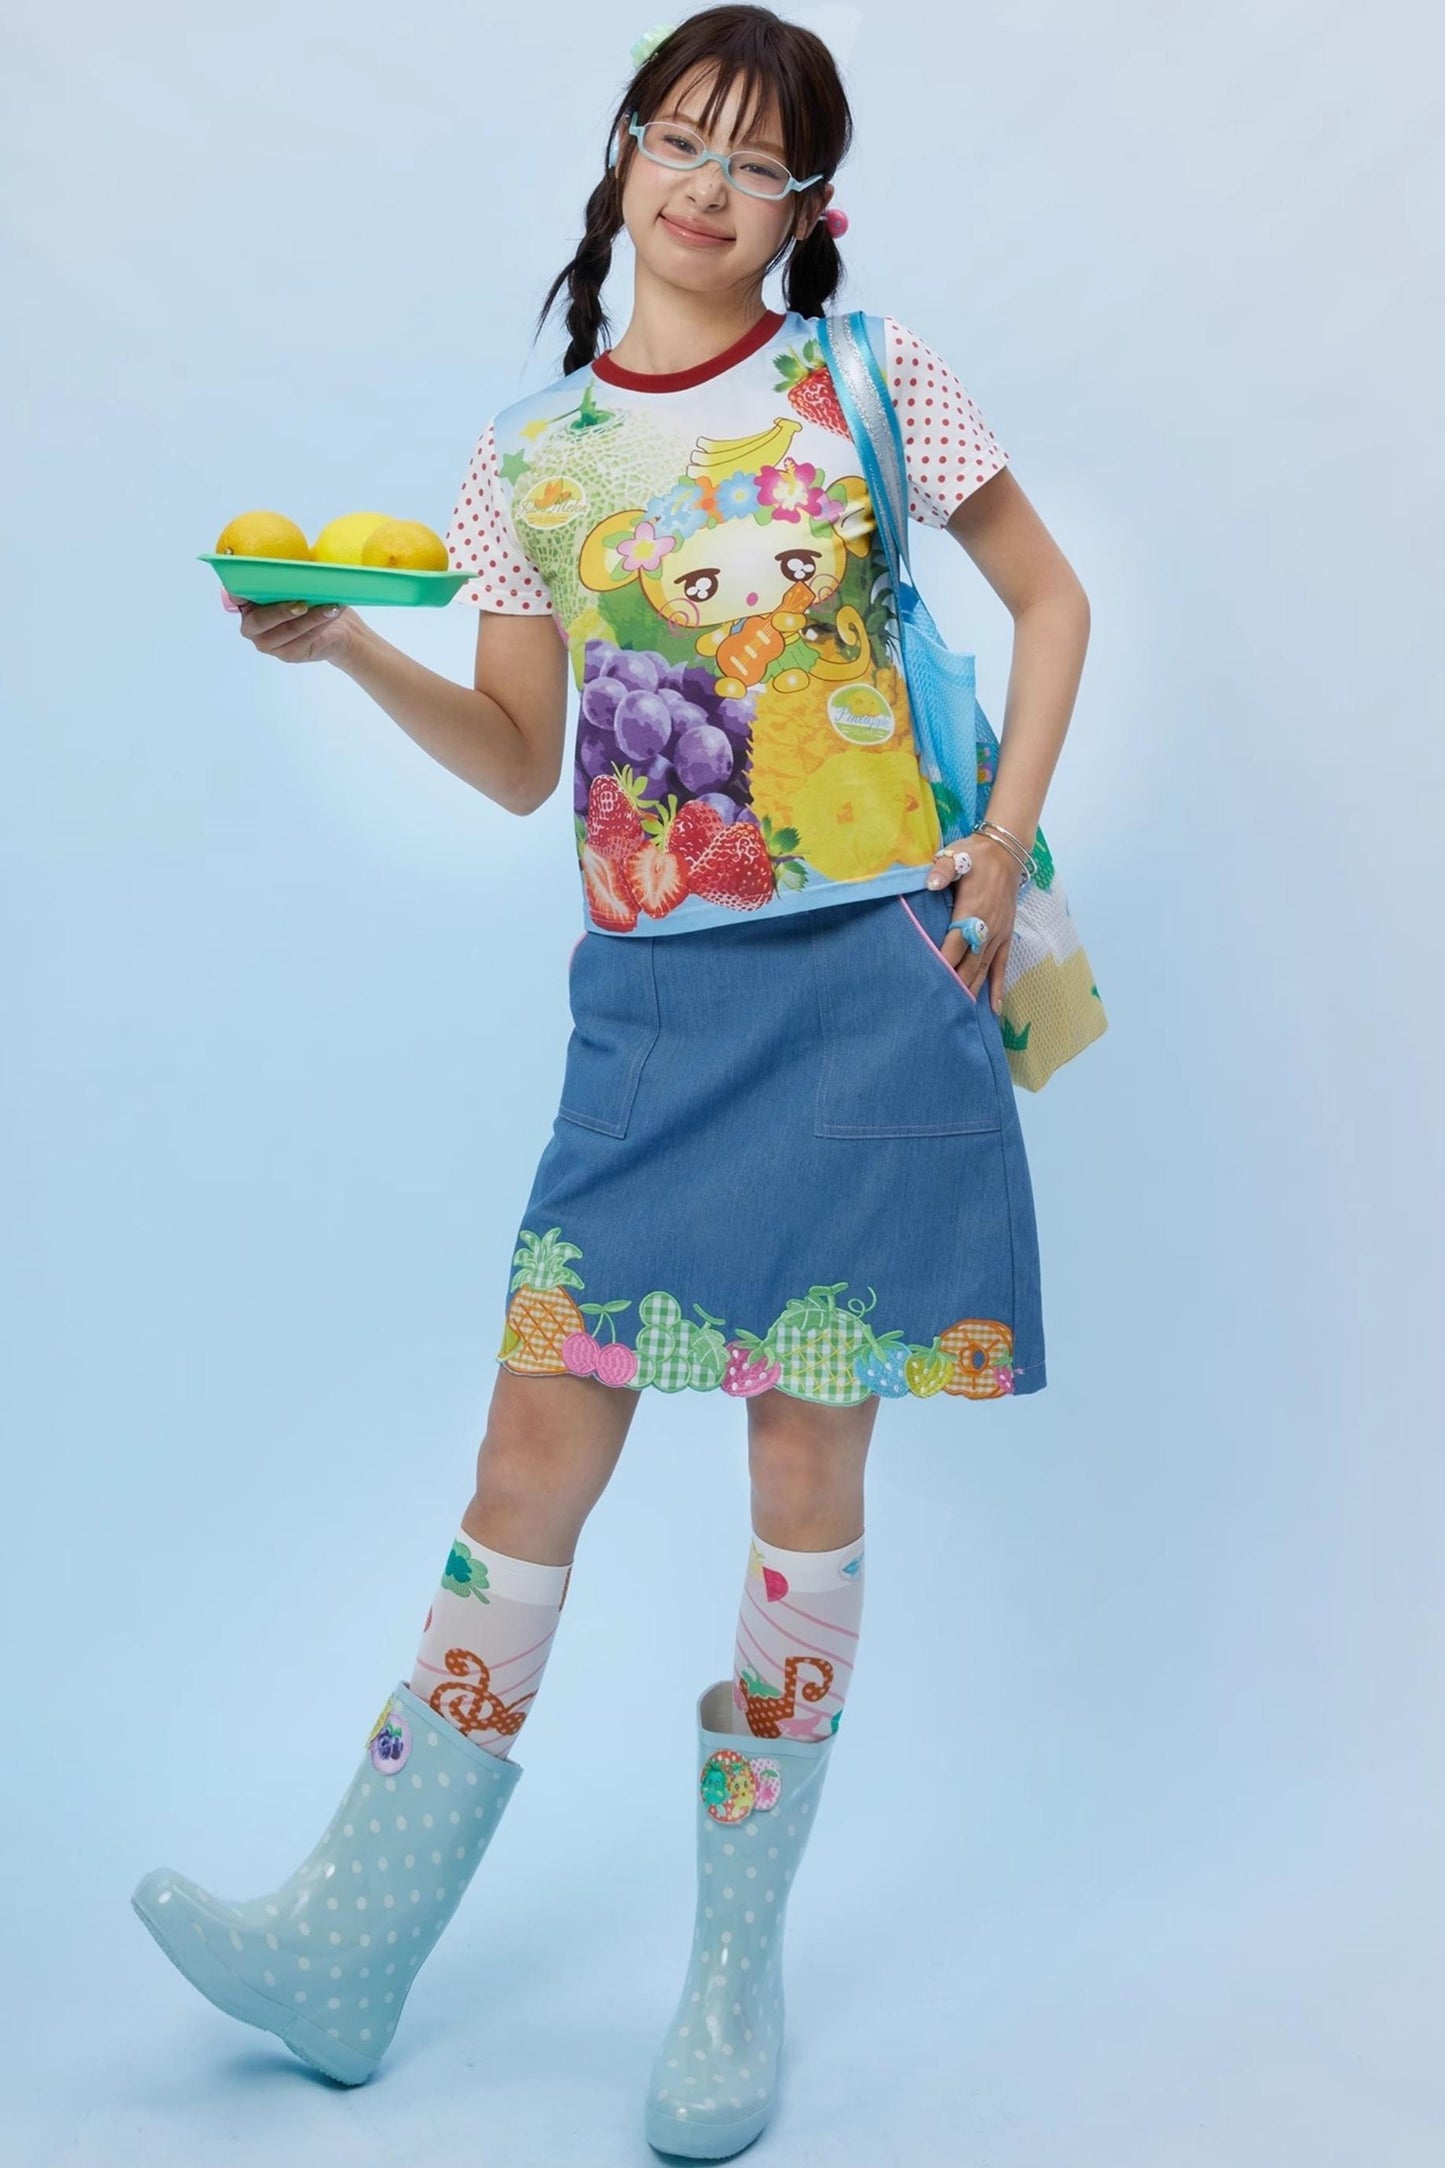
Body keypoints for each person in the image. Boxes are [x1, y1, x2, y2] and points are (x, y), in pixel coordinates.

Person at [132, 7, 1092, 2158]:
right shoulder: (527, 460)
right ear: (625, 156)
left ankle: (733, 1979)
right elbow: (518, 765)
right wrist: (352, 646)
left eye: (756, 161)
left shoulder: (871, 381)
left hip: (869, 991)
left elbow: (1051, 602)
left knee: (802, 1470)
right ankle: (351, 1946)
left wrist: (998, 845)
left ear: (809, 209)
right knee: (527, 1452)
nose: (706, 185)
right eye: (679, 137)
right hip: (650, 1013)